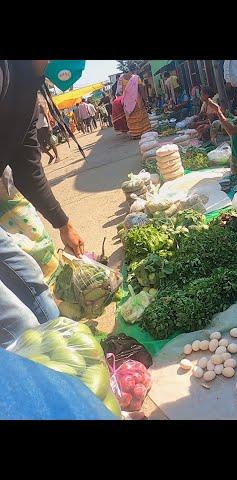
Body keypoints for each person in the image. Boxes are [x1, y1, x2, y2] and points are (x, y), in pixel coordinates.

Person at [0, 60, 85, 347]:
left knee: (31, 284)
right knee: (16, 324)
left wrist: (63, 223)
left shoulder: (28, 92)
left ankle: (71, 362)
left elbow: (27, 169)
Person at [121, 66, 151, 139]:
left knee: (132, 117)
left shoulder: (122, 79)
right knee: (140, 116)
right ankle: (144, 132)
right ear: (133, 70)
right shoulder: (136, 77)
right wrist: (145, 100)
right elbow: (141, 89)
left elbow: (123, 91)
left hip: (127, 102)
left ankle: (135, 134)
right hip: (137, 101)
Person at [35, 92, 59, 164]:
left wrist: (49, 126)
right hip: (37, 128)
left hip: (44, 126)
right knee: (40, 146)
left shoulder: (40, 106)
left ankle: (57, 156)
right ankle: (51, 156)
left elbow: (46, 116)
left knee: (50, 142)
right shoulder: (31, 109)